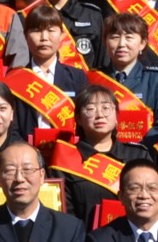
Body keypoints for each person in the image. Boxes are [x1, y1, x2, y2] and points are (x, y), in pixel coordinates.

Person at [51, 87, 151, 226]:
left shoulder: (138, 155)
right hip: (85, 236)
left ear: (117, 116)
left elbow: (156, 201)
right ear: (78, 118)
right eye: (90, 109)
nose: (100, 115)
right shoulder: (65, 159)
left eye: (106, 108)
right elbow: (63, 213)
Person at [87, 12, 158, 143]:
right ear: (105, 42)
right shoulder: (92, 78)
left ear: (142, 43)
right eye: (115, 37)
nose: (121, 44)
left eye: (129, 37)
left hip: (143, 151)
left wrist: (138, 149)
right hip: (101, 152)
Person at [5, 3, 88, 140]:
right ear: (25, 36)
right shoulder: (15, 79)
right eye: (37, 30)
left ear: (61, 34)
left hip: (67, 149)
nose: (44, 37)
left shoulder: (77, 77)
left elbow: (84, 120)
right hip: (26, 150)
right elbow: (11, 126)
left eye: (50, 30)